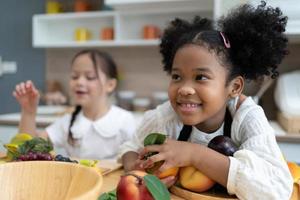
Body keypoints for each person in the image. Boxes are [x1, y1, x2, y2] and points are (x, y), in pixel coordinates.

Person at [118, 1, 293, 199]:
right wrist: (137, 170)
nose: (184, 89)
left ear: (234, 87)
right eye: (176, 77)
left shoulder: (247, 117)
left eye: (200, 77)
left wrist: (195, 154)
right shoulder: (166, 116)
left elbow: (277, 189)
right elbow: (131, 147)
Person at [13, 49, 136, 160]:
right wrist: (28, 112)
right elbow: (30, 151)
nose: (80, 82)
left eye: (90, 77)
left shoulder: (125, 120)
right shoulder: (67, 122)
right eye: (74, 76)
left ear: (110, 85)